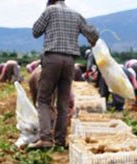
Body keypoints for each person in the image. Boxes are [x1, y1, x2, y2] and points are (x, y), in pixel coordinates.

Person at [30, 0, 99, 149]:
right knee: (63, 102)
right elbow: (92, 34)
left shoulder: (50, 10)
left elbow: (36, 32)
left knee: (43, 100)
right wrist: (93, 42)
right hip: (70, 62)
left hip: (52, 58)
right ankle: (60, 140)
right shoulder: (76, 14)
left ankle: (46, 139)